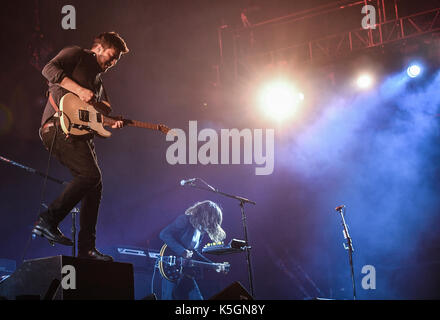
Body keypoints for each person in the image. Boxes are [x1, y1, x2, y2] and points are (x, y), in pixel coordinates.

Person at [32, 32, 129, 262]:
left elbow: (96, 115)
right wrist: (78, 89)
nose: (113, 63)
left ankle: (87, 249)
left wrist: (110, 122)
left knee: (95, 185)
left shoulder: (98, 82)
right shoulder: (76, 54)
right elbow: (49, 69)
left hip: (80, 136)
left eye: (116, 60)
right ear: (99, 48)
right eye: (112, 56)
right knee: (90, 175)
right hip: (57, 128)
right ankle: (47, 220)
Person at [159, 200, 227, 300]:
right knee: (169, 297)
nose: (213, 222)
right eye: (213, 218)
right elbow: (164, 234)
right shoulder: (184, 220)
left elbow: (194, 252)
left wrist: (213, 265)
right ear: (206, 215)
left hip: (186, 270)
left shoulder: (201, 230)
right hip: (170, 265)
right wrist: (182, 251)